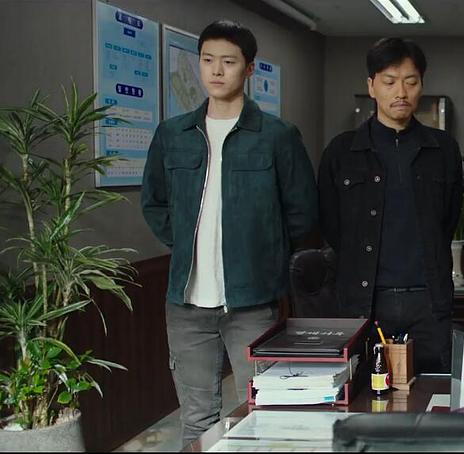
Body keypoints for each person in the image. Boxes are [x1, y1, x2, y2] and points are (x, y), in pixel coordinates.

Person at [141, 20, 318, 446]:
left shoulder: (277, 136)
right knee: (196, 420)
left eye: (228, 61)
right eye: (207, 60)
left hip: (252, 304)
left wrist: (264, 253)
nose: (216, 71)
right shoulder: (173, 134)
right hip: (186, 305)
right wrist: (188, 245)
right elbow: (154, 203)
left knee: (261, 414)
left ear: (249, 68)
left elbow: (303, 212)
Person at [318, 37, 463, 373]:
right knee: (365, 392)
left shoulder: (443, 150)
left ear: (421, 85)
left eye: (411, 82)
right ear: (371, 86)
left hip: (428, 299)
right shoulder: (342, 152)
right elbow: (331, 225)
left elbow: (448, 218)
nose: (401, 92)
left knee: (433, 389)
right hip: (365, 300)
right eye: (389, 81)